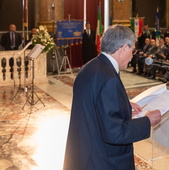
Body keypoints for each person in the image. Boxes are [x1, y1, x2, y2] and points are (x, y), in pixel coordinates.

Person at [63, 24, 161, 169]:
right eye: (132, 51)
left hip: (84, 151)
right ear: (123, 48)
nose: (132, 56)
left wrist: (124, 105)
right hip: (102, 159)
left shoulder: (91, 66)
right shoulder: (109, 79)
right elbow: (115, 133)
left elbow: (95, 103)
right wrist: (147, 121)